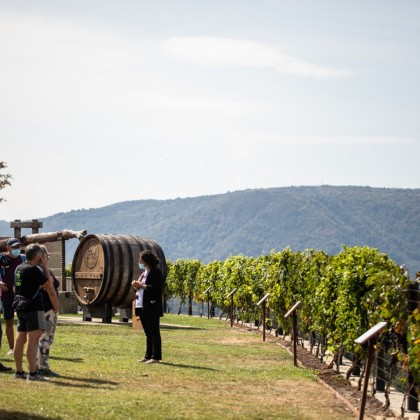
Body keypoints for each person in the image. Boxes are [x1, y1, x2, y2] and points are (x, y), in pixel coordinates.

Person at [13, 243, 53, 381]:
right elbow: (48, 285)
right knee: (33, 340)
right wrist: (45, 266)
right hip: (34, 309)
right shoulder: (34, 269)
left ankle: (19, 372)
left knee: (20, 339)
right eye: (42, 256)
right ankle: (33, 373)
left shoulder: (19, 268)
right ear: (37, 256)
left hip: (21, 307)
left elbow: (16, 288)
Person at [132, 250, 164, 364]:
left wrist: (141, 285)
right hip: (142, 304)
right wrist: (135, 286)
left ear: (146, 260)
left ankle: (156, 357)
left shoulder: (156, 272)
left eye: (140, 259)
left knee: (154, 332)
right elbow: (139, 288)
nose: (139, 261)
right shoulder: (144, 272)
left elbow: (156, 288)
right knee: (147, 332)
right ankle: (148, 355)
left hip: (152, 305)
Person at [36, 245, 60, 378]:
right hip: (47, 308)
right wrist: (56, 307)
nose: (48, 257)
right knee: (46, 338)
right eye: (46, 255)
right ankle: (42, 367)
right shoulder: (43, 271)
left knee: (41, 339)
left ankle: (38, 366)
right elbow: (51, 289)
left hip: (43, 308)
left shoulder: (39, 270)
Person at [0, 238, 26, 357]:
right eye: (14, 247)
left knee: (24, 321)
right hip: (6, 295)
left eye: (18, 247)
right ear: (8, 248)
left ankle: (23, 346)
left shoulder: (23, 259)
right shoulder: (2, 259)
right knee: (9, 320)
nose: (17, 249)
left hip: (21, 295)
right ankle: (12, 347)